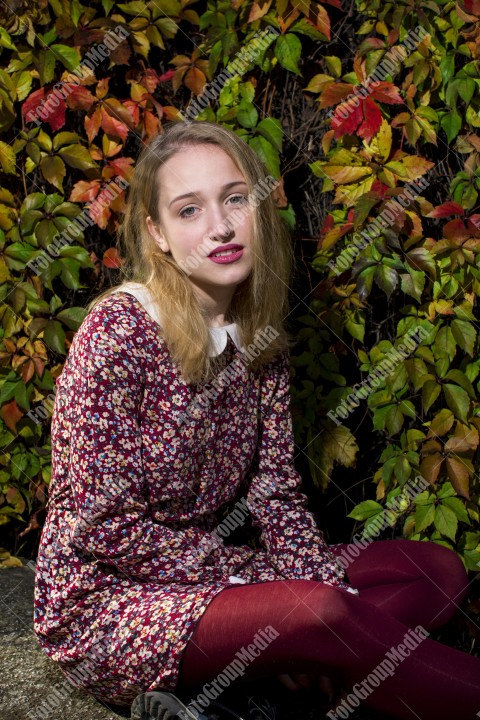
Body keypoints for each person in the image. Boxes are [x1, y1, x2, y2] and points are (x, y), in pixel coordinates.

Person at [33, 120, 480, 720]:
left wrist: (318, 584)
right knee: (321, 612)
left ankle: (262, 692)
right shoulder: (120, 332)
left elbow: (276, 495)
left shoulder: (257, 335)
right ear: (156, 234)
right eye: (189, 210)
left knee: (436, 572)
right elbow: (98, 526)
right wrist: (285, 596)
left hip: (214, 569)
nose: (220, 227)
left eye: (234, 199)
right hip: (113, 595)